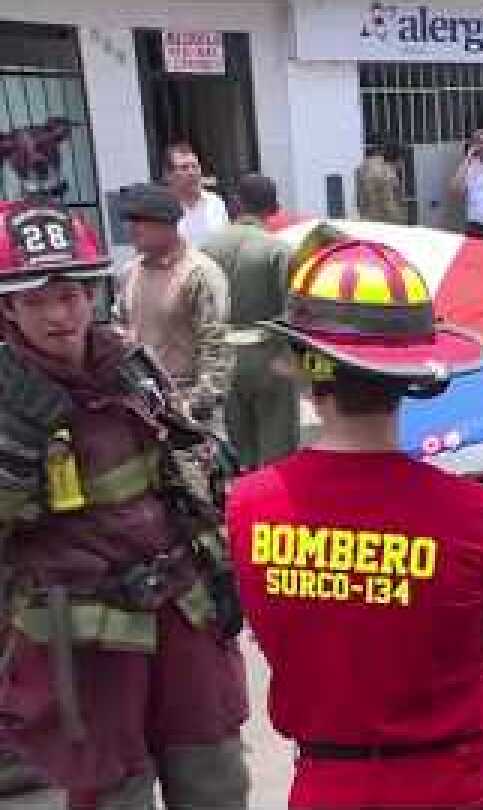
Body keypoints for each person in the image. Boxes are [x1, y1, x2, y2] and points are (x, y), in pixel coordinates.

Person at [225, 231, 483, 809]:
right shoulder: (476, 513)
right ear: (416, 375)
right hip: (457, 786)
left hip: (328, 787)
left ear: (307, 371)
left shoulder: (248, 505)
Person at [0, 200, 249, 807]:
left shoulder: (131, 365)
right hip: (82, 638)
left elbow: (188, 468)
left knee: (215, 778)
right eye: (36, 300)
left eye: (70, 294)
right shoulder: (9, 400)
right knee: (112, 793)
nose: (60, 315)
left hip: (182, 612)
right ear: (7, 307)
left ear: (92, 292)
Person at [201, 174, 299, 469]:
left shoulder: (207, 248)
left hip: (222, 358)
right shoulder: (278, 250)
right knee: (278, 450)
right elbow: (294, 310)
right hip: (269, 355)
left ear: (234, 204)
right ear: (274, 209)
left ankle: (241, 504)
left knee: (237, 449)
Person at [117, 185, 233, 433]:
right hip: (142, 404)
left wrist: (196, 407)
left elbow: (216, 347)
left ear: (168, 224)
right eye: (129, 221)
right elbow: (120, 331)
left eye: (140, 221)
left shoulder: (199, 273)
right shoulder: (130, 273)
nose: (131, 229)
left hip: (189, 405)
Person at [165, 142, 230, 245]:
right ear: (169, 175)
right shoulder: (163, 210)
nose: (192, 172)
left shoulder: (215, 203)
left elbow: (227, 243)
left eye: (195, 166)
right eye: (184, 168)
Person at [355, 141, 407, 226]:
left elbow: (359, 195)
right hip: (385, 218)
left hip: (367, 216)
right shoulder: (387, 171)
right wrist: (400, 218)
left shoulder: (363, 167)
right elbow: (391, 197)